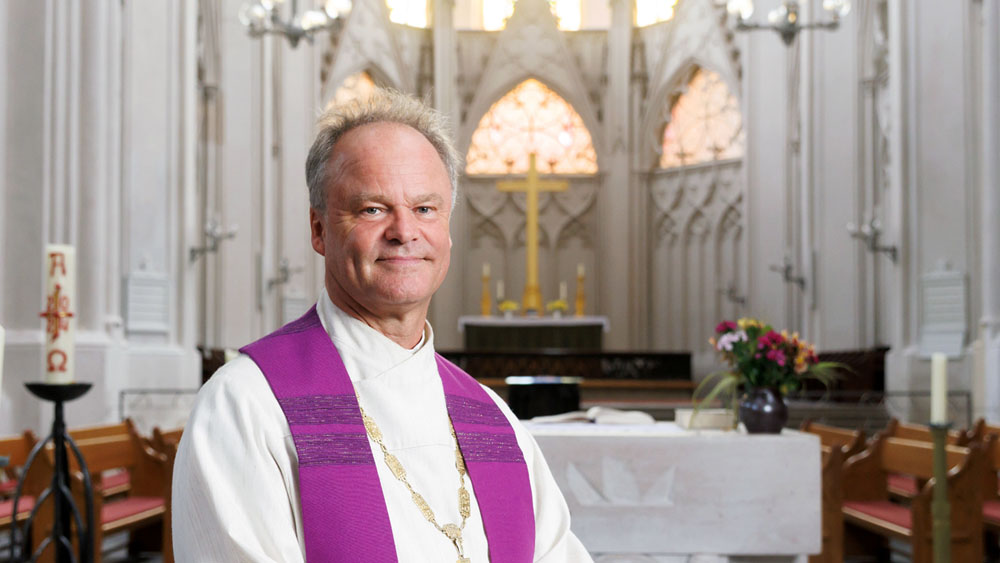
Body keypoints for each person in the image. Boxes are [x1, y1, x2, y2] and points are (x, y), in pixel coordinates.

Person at [172, 87, 592, 562]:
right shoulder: (245, 406)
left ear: (448, 232)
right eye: (372, 208)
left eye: (425, 209)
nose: (404, 231)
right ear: (318, 230)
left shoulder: (493, 419)